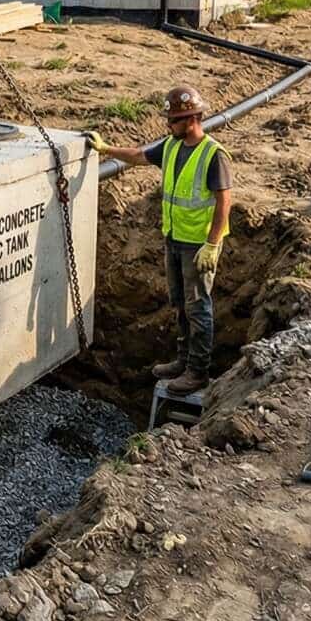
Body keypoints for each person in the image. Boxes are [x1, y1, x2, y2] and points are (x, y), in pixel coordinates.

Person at [89, 84, 232, 394]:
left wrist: (212, 243)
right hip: (174, 239)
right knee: (179, 303)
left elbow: (223, 202)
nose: (168, 125)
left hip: (198, 245)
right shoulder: (171, 146)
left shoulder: (213, 155)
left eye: (173, 120)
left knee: (198, 308)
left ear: (192, 118)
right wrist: (106, 149)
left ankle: (198, 371)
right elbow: (139, 155)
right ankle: (183, 360)